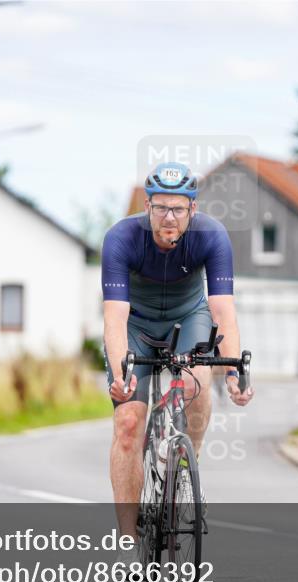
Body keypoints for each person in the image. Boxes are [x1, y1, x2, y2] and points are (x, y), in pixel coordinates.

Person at [101, 162, 254, 561]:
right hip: (136, 324)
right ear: (147, 206)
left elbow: (223, 311)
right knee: (129, 424)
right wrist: (121, 374)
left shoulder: (212, 236)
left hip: (188, 317)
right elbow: (114, 318)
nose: (169, 217)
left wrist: (235, 369)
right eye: (161, 208)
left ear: (193, 210)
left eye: (178, 209)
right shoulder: (121, 237)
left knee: (196, 380)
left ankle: (188, 469)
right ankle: (127, 538)